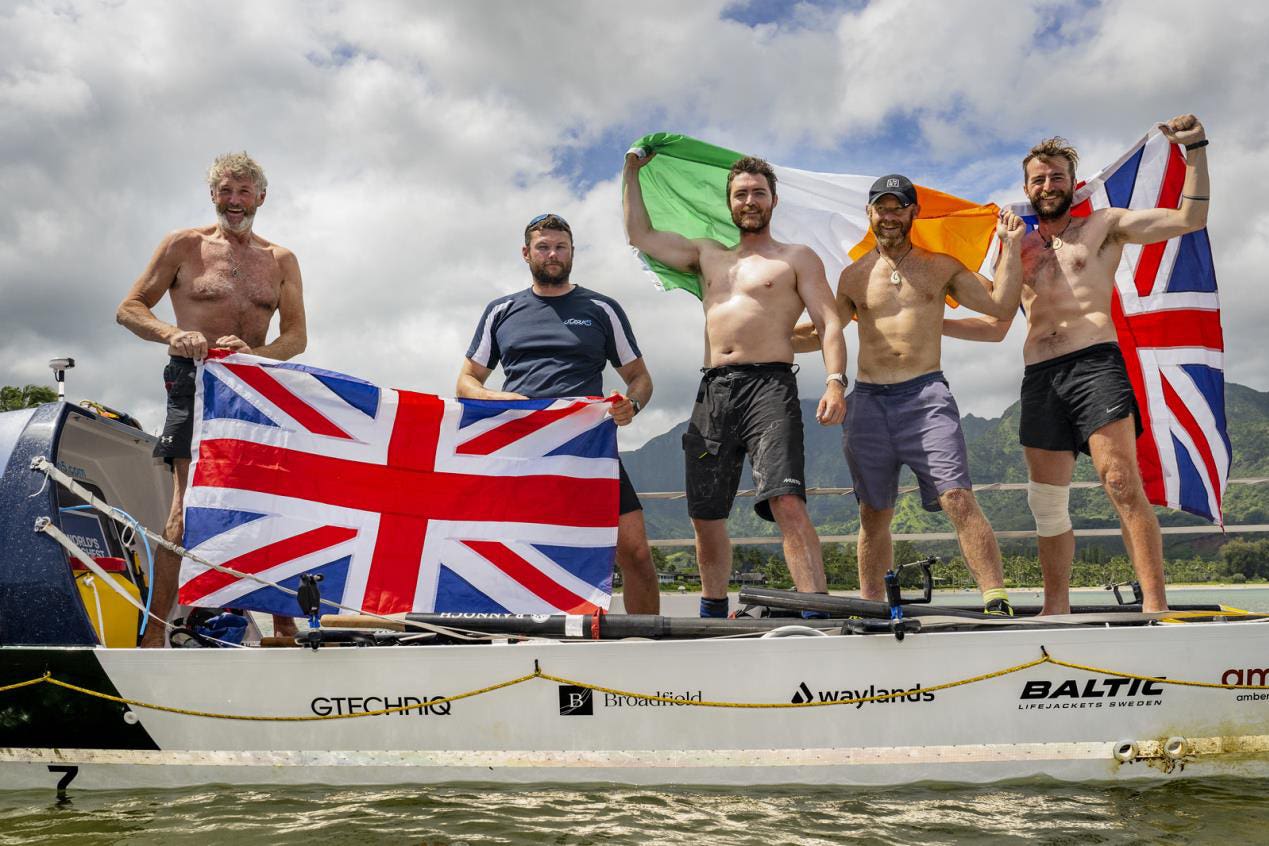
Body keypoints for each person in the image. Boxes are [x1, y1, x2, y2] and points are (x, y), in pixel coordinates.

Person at [944, 114, 1210, 614]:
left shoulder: (1103, 228)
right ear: (1027, 187)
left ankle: (1156, 605)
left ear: (1073, 183)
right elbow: (998, 322)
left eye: (1057, 177)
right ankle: (1055, 608)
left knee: (1120, 482)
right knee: (1046, 504)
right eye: (1039, 179)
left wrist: (1195, 149)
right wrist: (928, 326)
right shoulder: (1014, 247)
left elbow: (1188, 218)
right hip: (1041, 376)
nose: (1048, 185)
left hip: (1094, 364)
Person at [624, 152, 846, 618]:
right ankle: (712, 610)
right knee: (705, 513)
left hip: (770, 386)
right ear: (729, 203)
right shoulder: (707, 255)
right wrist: (632, 172)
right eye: (741, 194)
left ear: (773, 200)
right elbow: (639, 236)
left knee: (785, 499)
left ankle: (817, 609)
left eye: (758, 193)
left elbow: (828, 323)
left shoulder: (795, 258)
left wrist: (834, 382)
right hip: (713, 390)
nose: (750, 200)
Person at [794, 175, 1025, 614]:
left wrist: (1010, 248)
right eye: (881, 207)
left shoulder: (942, 266)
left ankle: (995, 597)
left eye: (898, 207)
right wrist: (766, 335)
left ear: (913, 212)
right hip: (869, 402)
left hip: (926, 395)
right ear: (869, 214)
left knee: (956, 496)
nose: (889, 215)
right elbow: (824, 332)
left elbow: (1000, 306)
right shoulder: (853, 276)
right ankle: (871, 606)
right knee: (874, 512)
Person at [117, 152, 307, 646]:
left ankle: (283, 629)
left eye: (244, 191)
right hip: (195, 380)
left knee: (268, 505)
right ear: (213, 195)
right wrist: (171, 333)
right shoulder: (184, 245)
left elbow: (297, 338)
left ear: (261, 198)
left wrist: (257, 354)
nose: (235, 201)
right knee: (187, 507)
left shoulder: (280, 260)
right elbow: (129, 308)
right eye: (226, 190)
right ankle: (154, 636)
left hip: (257, 385)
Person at [457, 214, 660, 614]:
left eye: (561, 247)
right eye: (544, 247)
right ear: (526, 253)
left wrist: (630, 405)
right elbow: (466, 381)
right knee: (518, 557)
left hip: (590, 451)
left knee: (635, 552)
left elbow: (640, 378)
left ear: (571, 251)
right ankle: (523, 648)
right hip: (523, 451)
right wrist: (502, 400)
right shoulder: (501, 311)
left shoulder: (601, 308)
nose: (553, 254)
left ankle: (647, 649)